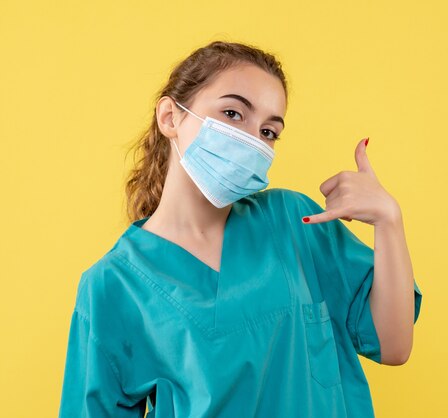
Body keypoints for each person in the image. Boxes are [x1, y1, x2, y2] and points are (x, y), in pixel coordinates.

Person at [58, 40, 423, 417]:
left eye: (268, 131)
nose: (251, 139)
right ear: (170, 117)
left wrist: (388, 220)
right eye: (233, 114)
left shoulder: (293, 221)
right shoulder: (113, 285)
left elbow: (394, 347)